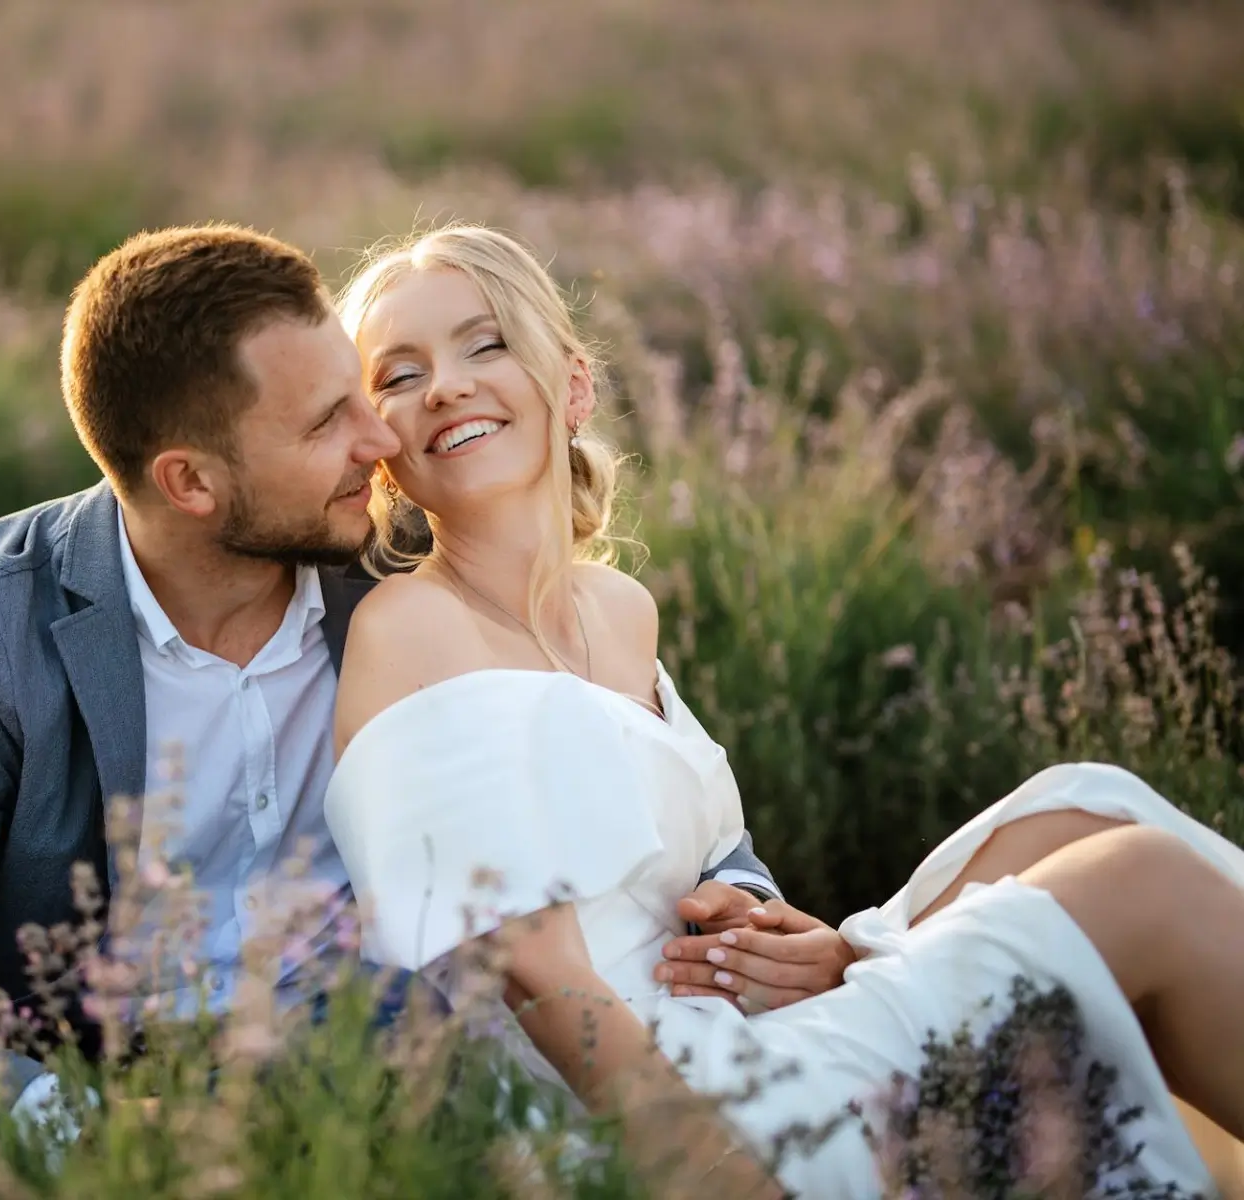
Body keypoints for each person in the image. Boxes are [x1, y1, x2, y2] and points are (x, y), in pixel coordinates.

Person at [0, 224, 796, 1136]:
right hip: (94, 1081)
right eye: (330, 420)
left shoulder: (408, 574)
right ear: (190, 482)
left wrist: (745, 907)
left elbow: (631, 755)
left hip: (368, 1076)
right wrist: (69, 1130)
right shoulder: (3, 609)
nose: (383, 440)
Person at [323, 222, 1244, 1197]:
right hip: (647, 1098)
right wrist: (709, 1165)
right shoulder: (412, 625)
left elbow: (703, 860)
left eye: (485, 343)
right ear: (383, 454)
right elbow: (528, 969)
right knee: (1137, 878)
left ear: (575, 386)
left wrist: (775, 933)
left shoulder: (620, 610)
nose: (447, 386)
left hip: (727, 1018)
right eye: (399, 374)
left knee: (1086, 807)